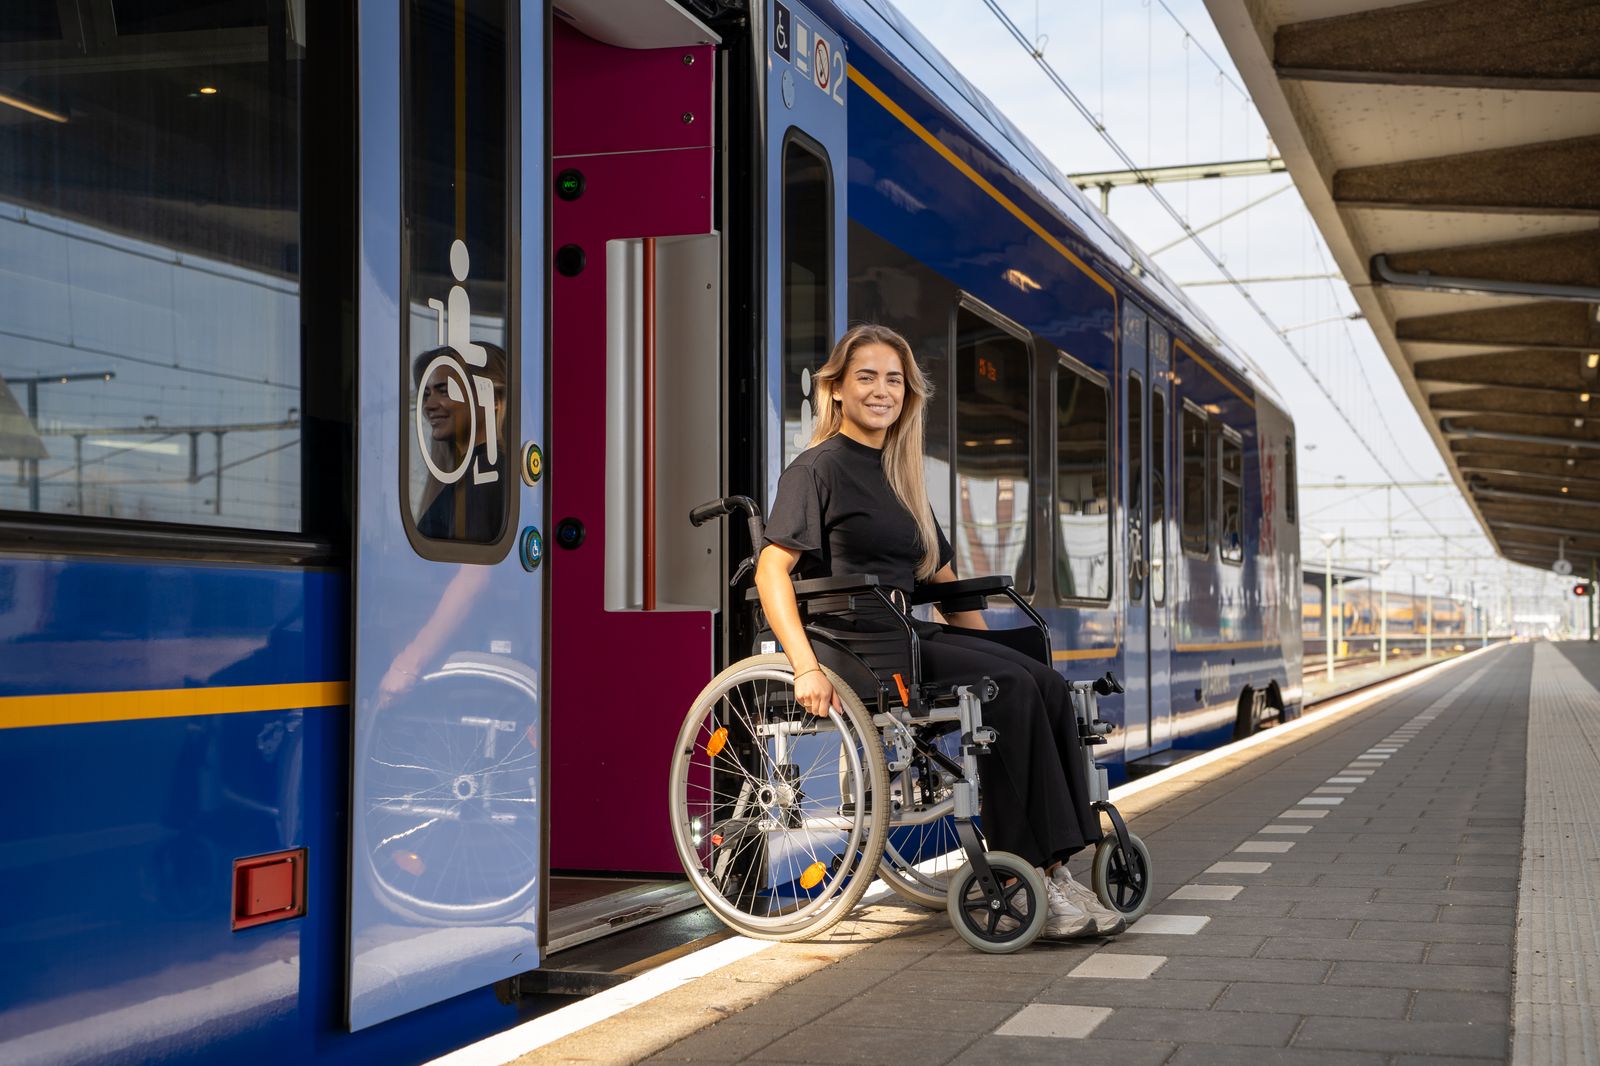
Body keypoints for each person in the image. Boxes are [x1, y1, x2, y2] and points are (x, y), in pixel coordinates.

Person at [754, 323, 1124, 939]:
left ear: (908, 394)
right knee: (1007, 689)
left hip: (907, 633)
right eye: (866, 377)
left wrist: (997, 649)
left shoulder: (902, 478)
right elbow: (773, 573)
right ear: (837, 389)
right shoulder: (815, 470)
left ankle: (1056, 869)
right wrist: (803, 666)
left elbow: (944, 580)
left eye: (893, 380)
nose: (882, 390)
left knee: (1045, 685)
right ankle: (1026, 871)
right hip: (855, 646)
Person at [413, 342, 508, 542]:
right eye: (427, 394)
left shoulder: (485, 472)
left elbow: (476, 570)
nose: (429, 405)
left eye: (445, 390)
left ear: (490, 399)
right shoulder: (474, 470)